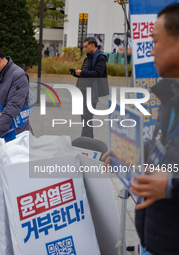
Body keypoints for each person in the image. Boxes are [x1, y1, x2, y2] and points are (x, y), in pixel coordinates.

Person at [102, 4, 179, 254]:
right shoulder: (171, 96)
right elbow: (163, 147)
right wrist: (128, 153)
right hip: (158, 237)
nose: (150, 50)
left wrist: (170, 186)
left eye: (155, 41)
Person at [72, 37, 109, 138]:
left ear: (93, 45)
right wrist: (76, 73)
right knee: (84, 116)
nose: (85, 49)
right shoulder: (88, 58)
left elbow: (98, 73)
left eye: (86, 47)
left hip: (91, 91)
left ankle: (84, 140)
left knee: (87, 116)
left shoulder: (100, 57)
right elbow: (85, 73)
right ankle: (89, 139)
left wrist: (82, 72)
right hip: (82, 90)